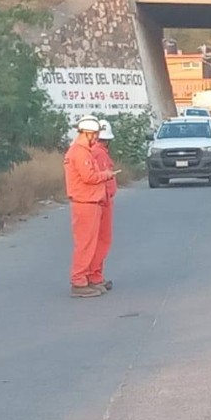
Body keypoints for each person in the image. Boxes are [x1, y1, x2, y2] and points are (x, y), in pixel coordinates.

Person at [63, 115, 118, 298]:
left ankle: (87, 277)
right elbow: (89, 177)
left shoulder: (83, 151)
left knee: (90, 243)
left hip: (91, 201)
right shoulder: (79, 152)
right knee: (85, 244)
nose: (96, 139)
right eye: (94, 135)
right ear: (87, 133)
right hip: (85, 202)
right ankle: (79, 280)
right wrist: (106, 175)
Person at [89, 120, 118, 294]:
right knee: (101, 241)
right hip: (102, 201)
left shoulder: (95, 152)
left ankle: (94, 275)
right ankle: (94, 276)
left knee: (99, 240)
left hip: (102, 199)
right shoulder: (98, 153)